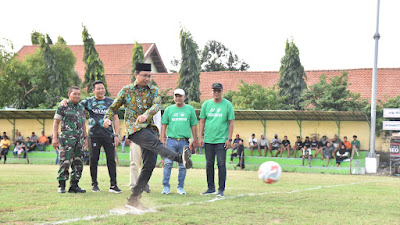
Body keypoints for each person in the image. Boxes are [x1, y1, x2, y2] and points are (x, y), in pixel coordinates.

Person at [103, 63, 192, 210]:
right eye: (143, 75)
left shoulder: (154, 90)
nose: (146, 78)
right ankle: (179, 158)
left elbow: (157, 105)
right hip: (135, 129)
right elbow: (113, 107)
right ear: (136, 75)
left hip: (150, 128)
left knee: (149, 165)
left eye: (149, 76)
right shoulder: (126, 90)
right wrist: (107, 118)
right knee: (157, 145)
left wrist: (146, 114)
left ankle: (133, 200)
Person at [60, 80, 121, 193]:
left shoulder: (111, 102)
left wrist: (117, 134)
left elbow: (116, 118)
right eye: (98, 88)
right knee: (93, 160)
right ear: (93, 91)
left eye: (102, 88)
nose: (101, 90)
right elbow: (74, 103)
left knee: (111, 160)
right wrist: (65, 100)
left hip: (109, 135)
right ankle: (94, 184)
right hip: (93, 135)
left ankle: (113, 185)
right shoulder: (88, 102)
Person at [199, 82, 235, 198]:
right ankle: (210, 188)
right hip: (209, 139)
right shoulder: (206, 104)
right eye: (214, 90)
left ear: (222, 91)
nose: (216, 93)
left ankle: (221, 189)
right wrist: (200, 137)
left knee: (221, 163)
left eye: (218, 91)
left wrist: (229, 138)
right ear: (211, 92)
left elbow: (231, 122)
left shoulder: (227, 105)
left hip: (221, 140)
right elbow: (202, 121)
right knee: (209, 164)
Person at [160, 88, 198, 195]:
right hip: (171, 141)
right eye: (176, 96)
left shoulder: (190, 109)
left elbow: (194, 125)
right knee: (167, 163)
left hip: (184, 142)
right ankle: (166, 187)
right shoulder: (169, 109)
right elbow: (164, 124)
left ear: (184, 97)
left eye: (180, 96)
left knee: (183, 165)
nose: (178, 98)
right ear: (173, 97)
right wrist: (162, 138)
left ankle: (180, 187)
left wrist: (195, 139)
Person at [53, 86, 87, 194]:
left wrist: (85, 138)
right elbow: (56, 123)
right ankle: (61, 185)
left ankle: (74, 186)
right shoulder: (63, 106)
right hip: (66, 139)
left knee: (78, 162)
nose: (77, 96)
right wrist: (54, 137)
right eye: (74, 94)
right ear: (69, 94)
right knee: (65, 161)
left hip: (79, 140)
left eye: (79, 94)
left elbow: (83, 124)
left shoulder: (81, 107)